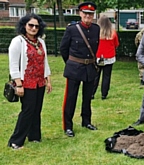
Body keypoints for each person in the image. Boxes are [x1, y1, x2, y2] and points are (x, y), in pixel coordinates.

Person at [7, 13, 52, 149]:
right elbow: (13, 64)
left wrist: (48, 80)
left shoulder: (40, 42)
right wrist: (18, 84)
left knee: (37, 110)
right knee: (27, 110)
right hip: (26, 82)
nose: (33, 28)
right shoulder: (18, 41)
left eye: (36, 26)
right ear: (24, 25)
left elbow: (45, 62)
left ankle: (34, 136)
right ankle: (15, 141)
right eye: (30, 25)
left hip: (39, 82)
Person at [60, 1, 100, 137]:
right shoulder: (72, 29)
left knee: (87, 97)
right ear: (80, 14)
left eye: (90, 14)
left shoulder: (96, 29)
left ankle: (86, 121)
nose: (88, 16)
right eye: (85, 13)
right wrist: (71, 63)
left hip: (90, 67)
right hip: (74, 68)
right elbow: (63, 49)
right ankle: (68, 126)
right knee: (71, 98)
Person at [91, 15, 119, 100]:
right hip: (109, 57)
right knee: (106, 76)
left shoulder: (95, 32)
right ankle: (104, 94)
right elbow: (116, 44)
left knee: (95, 76)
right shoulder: (113, 33)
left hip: (98, 56)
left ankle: (92, 93)